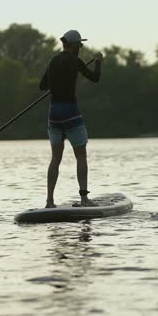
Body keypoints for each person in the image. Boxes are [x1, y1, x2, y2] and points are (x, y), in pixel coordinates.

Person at [39, 29, 103, 208]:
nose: (81, 48)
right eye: (80, 45)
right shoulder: (75, 61)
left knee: (55, 159)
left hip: (53, 115)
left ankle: (49, 202)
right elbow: (95, 78)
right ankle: (84, 199)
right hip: (70, 112)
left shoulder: (53, 60)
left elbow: (42, 86)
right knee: (81, 156)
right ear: (74, 45)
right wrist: (98, 62)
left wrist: (56, 83)